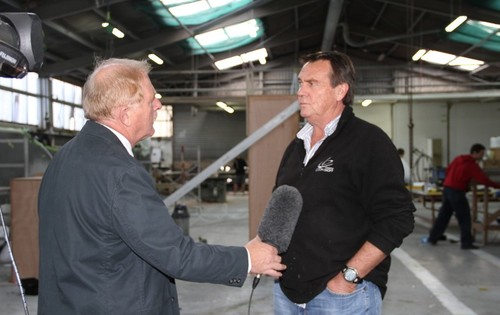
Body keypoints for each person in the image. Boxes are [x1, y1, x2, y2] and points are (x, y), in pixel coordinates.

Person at [37, 58, 285, 315]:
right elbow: (176, 255)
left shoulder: (62, 158)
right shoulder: (121, 172)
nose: (158, 105)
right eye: (150, 100)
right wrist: (247, 259)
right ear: (125, 114)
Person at [272, 51, 415, 314]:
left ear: (340, 91)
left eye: (312, 83)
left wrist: (348, 277)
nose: (301, 92)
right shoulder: (296, 147)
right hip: (287, 292)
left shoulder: (369, 142)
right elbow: (280, 210)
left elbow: (398, 217)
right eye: (300, 83)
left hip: (340, 298)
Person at [423, 143, 500, 250]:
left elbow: (448, 170)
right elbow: (484, 180)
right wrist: (497, 185)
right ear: (475, 153)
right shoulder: (472, 165)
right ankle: (466, 243)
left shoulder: (458, 159)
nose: (482, 156)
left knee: (444, 215)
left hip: (447, 189)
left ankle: (433, 237)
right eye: (481, 154)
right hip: (456, 191)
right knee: (464, 217)